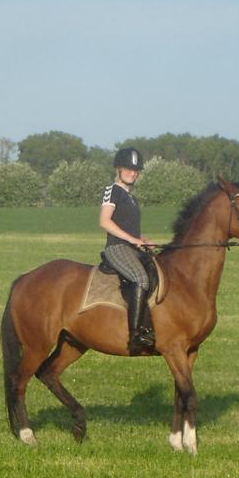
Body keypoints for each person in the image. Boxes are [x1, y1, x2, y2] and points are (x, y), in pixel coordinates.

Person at [99, 147, 155, 353]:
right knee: (141, 279)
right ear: (119, 169)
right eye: (129, 169)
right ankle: (135, 334)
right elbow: (105, 221)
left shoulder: (132, 198)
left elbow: (129, 227)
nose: (133, 173)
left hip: (132, 248)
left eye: (136, 170)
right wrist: (132, 239)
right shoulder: (112, 190)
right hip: (117, 247)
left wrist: (142, 240)